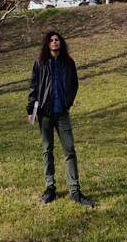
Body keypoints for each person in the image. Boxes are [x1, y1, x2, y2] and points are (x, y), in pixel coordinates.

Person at [27, 30, 95, 207]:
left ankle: (74, 191)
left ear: (61, 43)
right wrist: (31, 109)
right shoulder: (40, 63)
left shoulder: (68, 63)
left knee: (69, 149)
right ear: (47, 44)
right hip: (45, 113)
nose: (55, 42)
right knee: (47, 149)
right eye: (51, 40)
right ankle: (50, 188)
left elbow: (74, 84)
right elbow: (33, 86)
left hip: (62, 113)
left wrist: (68, 102)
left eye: (57, 40)